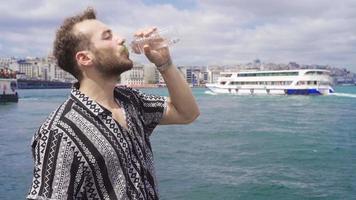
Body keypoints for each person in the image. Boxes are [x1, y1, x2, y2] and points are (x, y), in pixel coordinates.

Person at [27, 7, 199, 200]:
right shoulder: (59, 132)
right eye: (107, 36)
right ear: (84, 58)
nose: (121, 39)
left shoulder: (131, 100)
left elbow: (187, 113)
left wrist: (165, 63)